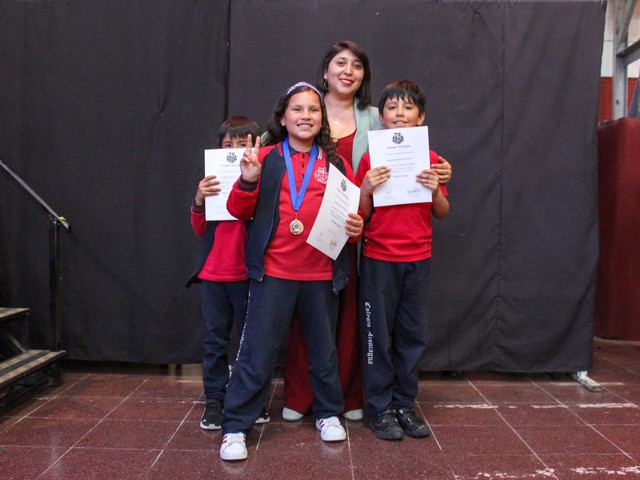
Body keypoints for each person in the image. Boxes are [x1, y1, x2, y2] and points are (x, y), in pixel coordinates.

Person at [282, 40, 453, 422]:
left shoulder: (380, 116)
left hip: (360, 234)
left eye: (357, 65)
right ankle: (300, 394)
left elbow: (417, 153)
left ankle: (351, 396)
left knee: (353, 321)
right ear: (325, 70)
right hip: (306, 231)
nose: (348, 71)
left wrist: (442, 172)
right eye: (340, 63)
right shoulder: (306, 107)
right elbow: (276, 146)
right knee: (305, 314)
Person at [219, 82, 364, 461]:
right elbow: (237, 210)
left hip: (321, 276)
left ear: (322, 119)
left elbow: (350, 222)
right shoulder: (264, 157)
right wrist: (248, 179)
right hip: (272, 273)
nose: (305, 116)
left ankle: (328, 413)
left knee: (324, 351)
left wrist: (356, 227)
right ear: (283, 117)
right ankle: (235, 427)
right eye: (297, 109)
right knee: (256, 352)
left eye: (313, 110)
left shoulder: (336, 164)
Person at [355, 80, 450, 441]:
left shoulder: (432, 159)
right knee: (376, 337)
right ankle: (380, 409)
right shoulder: (370, 159)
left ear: (420, 117)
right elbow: (361, 216)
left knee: (412, 336)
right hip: (379, 260)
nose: (399, 113)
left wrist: (435, 189)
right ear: (381, 117)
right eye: (392, 108)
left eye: (408, 108)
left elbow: (442, 211)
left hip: (418, 259)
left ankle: (404, 405)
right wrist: (366, 189)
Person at [186, 116, 269, 431]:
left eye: (240, 144)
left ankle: (251, 399)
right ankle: (214, 400)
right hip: (213, 275)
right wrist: (199, 199)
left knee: (252, 342)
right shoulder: (212, 180)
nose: (233, 150)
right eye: (227, 145)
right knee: (214, 342)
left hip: (248, 274)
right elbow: (200, 230)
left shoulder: (261, 179)